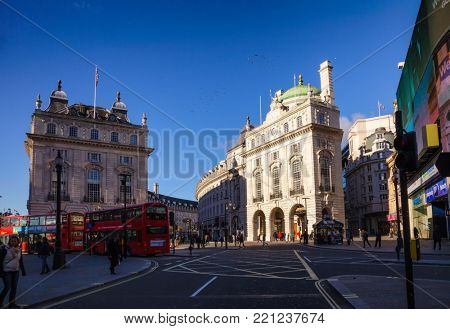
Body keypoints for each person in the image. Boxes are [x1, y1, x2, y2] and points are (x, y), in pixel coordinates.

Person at [0, 235, 26, 308]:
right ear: (9, 242)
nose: (13, 242)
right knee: (7, 287)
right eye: (12, 241)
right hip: (6, 271)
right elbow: (0, 260)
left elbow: (20, 261)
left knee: (14, 288)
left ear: (17, 242)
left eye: (15, 241)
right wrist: (1, 271)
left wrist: (23, 270)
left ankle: (12, 304)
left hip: (16, 271)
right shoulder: (5, 249)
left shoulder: (19, 249)